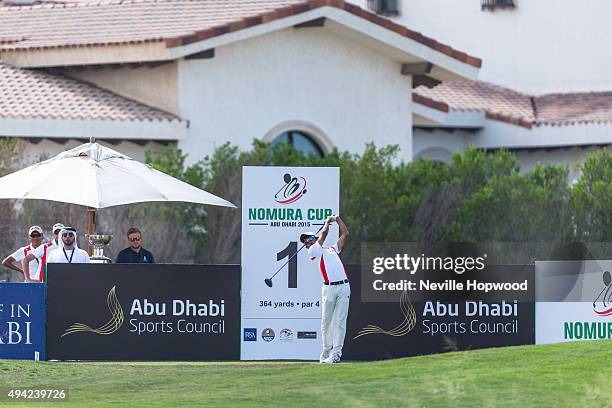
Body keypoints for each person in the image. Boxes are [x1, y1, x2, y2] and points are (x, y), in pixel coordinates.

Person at [301, 215, 350, 364]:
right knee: (326, 321)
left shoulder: (331, 249)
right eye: (305, 242)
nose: (306, 244)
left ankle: (336, 354)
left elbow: (345, 234)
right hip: (328, 289)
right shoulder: (313, 252)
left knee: (340, 321)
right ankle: (326, 351)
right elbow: (324, 234)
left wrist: (338, 220)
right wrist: (327, 223)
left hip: (344, 287)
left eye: (308, 240)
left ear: (313, 238)